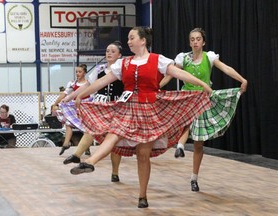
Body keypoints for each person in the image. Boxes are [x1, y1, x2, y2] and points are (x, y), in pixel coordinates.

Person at [62, 26, 212, 208]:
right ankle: (90, 162)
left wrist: (202, 84)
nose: (128, 41)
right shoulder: (123, 63)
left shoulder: (158, 60)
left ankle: (142, 195)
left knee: (143, 154)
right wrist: (81, 95)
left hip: (149, 110)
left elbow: (180, 73)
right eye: (128, 38)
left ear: (143, 40)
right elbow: (102, 81)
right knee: (114, 133)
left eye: (131, 38)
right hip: (127, 107)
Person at [167, 27, 248, 192]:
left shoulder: (209, 57)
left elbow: (225, 68)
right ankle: (180, 146)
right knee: (187, 122)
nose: (195, 42)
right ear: (189, 42)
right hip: (187, 98)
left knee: (198, 144)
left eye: (198, 39)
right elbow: (169, 74)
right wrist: (156, 87)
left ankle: (194, 178)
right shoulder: (183, 59)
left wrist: (241, 79)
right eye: (192, 39)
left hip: (204, 98)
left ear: (203, 42)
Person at [62, 41, 124, 182]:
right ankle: (77, 154)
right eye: (107, 50)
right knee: (91, 129)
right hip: (101, 104)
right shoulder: (99, 69)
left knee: (114, 138)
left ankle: (115, 172)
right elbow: (87, 86)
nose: (109, 53)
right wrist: (70, 97)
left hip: (117, 104)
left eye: (113, 51)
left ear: (120, 55)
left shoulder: (124, 69)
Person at [52, 64, 90, 155]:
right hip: (74, 106)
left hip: (85, 106)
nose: (77, 73)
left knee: (86, 127)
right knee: (68, 123)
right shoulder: (72, 83)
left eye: (80, 72)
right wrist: (55, 103)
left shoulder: (88, 83)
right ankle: (66, 143)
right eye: (76, 71)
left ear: (84, 72)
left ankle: (87, 147)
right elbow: (64, 94)